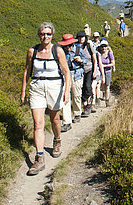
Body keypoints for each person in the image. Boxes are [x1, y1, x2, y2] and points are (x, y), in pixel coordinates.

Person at [21, 22, 71, 176]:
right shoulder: (32, 51)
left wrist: (67, 91)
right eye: (43, 34)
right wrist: (23, 91)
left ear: (52, 35)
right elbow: (27, 71)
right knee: (38, 123)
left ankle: (57, 140)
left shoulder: (58, 51)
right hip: (37, 87)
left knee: (55, 120)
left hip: (54, 87)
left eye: (48, 34)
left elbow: (66, 72)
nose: (46, 36)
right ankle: (39, 156)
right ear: (39, 35)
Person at [60, 32, 87, 131]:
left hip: (77, 74)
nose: (68, 48)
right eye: (66, 46)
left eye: (69, 45)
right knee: (66, 97)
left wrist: (80, 60)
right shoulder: (61, 52)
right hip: (65, 75)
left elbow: (86, 60)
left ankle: (77, 113)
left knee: (76, 95)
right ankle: (67, 121)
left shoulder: (78, 49)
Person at [77, 31, 97, 116]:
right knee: (82, 87)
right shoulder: (76, 47)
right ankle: (85, 105)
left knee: (88, 86)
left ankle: (89, 104)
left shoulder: (89, 46)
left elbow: (94, 59)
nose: (81, 38)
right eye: (80, 37)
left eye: (83, 37)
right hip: (80, 70)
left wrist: (95, 70)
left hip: (89, 69)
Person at [97, 38, 115, 106]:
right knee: (101, 85)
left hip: (107, 71)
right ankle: (100, 98)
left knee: (107, 85)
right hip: (100, 71)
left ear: (107, 46)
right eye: (102, 46)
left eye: (105, 46)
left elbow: (113, 63)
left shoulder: (110, 53)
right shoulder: (98, 53)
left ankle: (107, 100)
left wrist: (105, 66)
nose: (103, 48)